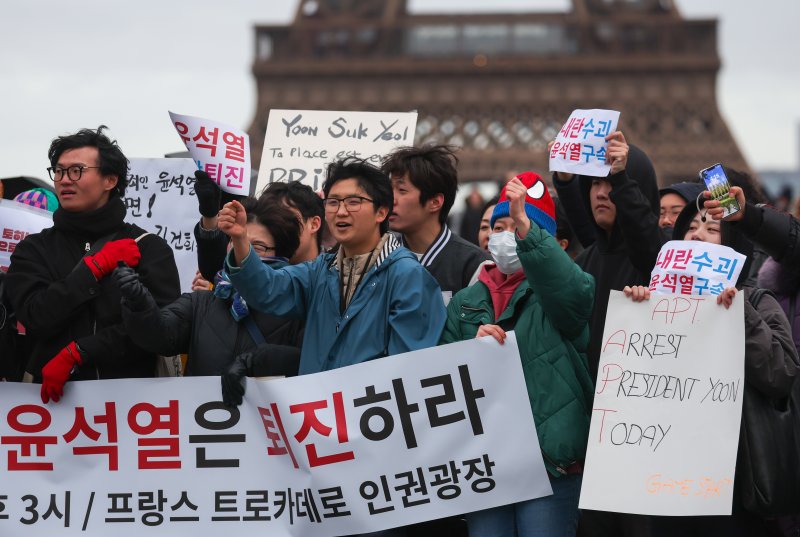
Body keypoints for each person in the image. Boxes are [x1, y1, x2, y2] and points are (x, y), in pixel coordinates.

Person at [624, 191, 798, 536]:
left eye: (712, 228)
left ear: (734, 245)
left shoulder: (757, 302)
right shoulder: (654, 304)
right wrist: (636, 315)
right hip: (664, 478)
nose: (697, 233)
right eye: (689, 227)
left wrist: (741, 315)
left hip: (731, 482)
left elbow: (781, 374)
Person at [441, 172, 595, 537]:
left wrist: (526, 221)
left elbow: (572, 296)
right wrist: (468, 349)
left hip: (548, 462)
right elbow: (440, 373)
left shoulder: (562, 291)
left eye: (518, 224)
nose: (505, 233)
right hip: (486, 460)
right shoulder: (465, 301)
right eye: (499, 225)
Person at [218, 156, 446, 378]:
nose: (341, 211)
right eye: (333, 202)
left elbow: (408, 369)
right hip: (324, 411)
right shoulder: (320, 270)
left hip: (372, 411)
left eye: (354, 202)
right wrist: (240, 240)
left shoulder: (408, 276)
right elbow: (267, 289)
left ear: (382, 211)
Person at [5, 126, 180, 402]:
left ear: (110, 180)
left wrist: (81, 352)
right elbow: (34, 316)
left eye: (76, 171)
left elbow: (163, 328)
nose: (64, 180)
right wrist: (92, 270)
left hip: (136, 410)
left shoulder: (148, 246)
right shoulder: (34, 249)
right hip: (49, 410)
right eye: (59, 171)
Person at [114, 197, 304, 386]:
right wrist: (139, 302)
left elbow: (308, 364)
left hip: (266, 415)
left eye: (258, 247)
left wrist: (259, 361)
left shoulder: (296, 309)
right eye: (235, 239)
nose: (241, 248)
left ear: (282, 255)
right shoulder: (200, 303)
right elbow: (158, 336)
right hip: (201, 414)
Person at [553, 133, 664, 382]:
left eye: (610, 183)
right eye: (594, 183)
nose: (602, 193)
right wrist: (565, 176)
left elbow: (645, 239)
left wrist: (620, 177)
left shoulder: (659, 261)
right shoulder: (580, 266)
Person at [382, 144, 489, 303]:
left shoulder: (475, 265)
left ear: (435, 202)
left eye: (402, 190)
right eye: (390, 190)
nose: (391, 200)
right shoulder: (381, 258)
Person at [194, 171, 324, 281]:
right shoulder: (263, 266)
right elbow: (216, 267)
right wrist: (210, 216)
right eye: (271, 218)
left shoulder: (332, 274)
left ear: (314, 224)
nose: (277, 225)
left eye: (288, 217)